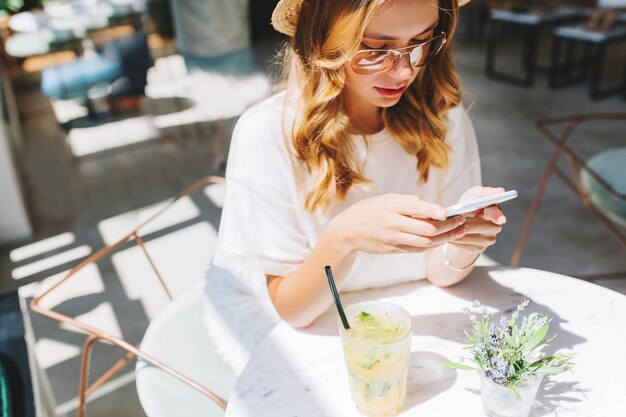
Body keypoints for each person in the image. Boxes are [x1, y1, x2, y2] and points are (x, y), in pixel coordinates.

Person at [203, 0, 507, 375]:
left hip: (413, 318)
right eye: (377, 49)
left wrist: (462, 243)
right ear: (323, 40)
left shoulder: (444, 119)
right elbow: (294, 309)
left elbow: (437, 273)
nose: (404, 69)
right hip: (306, 328)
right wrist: (343, 238)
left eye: (421, 42)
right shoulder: (267, 134)